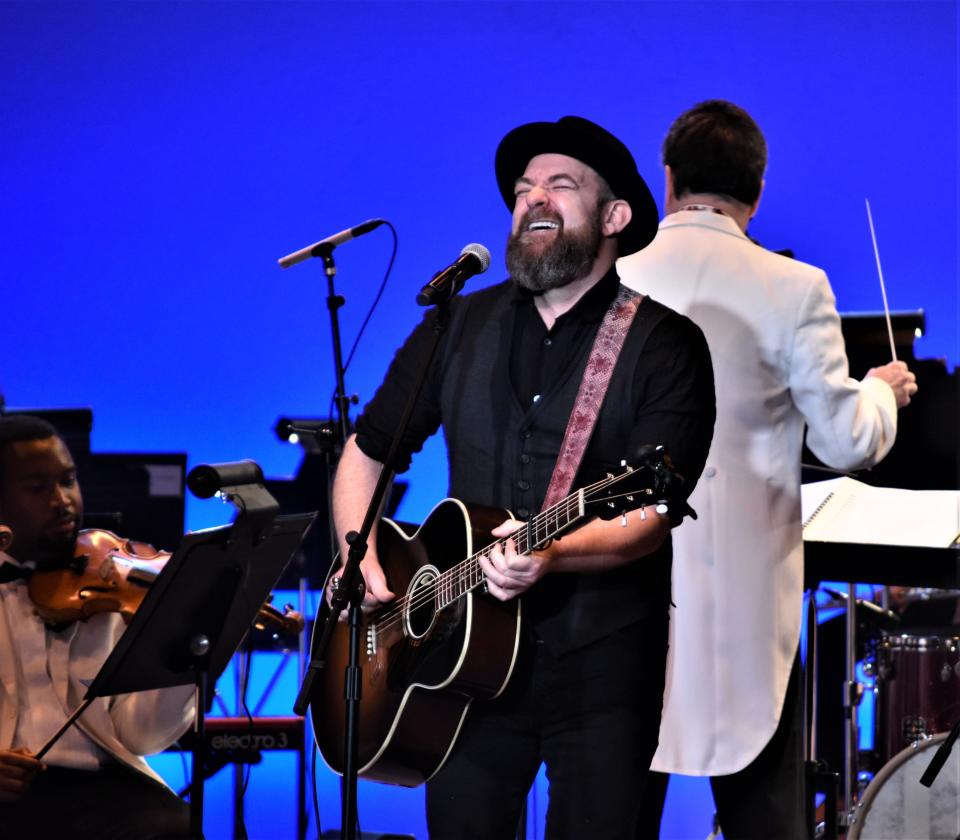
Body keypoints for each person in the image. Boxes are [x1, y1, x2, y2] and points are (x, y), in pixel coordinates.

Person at [330, 116, 716, 838]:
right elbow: (370, 446)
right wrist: (360, 553)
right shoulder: (456, 324)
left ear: (616, 216)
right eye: (522, 189)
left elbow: (653, 511)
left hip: (603, 663)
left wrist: (553, 551)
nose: (534, 199)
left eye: (560, 185)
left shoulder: (666, 344)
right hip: (455, 662)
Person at [617, 99, 917, 838]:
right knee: (766, 821)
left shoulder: (613, 276)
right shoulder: (794, 287)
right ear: (757, 190)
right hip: (743, 613)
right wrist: (883, 392)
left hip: (617, 597)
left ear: (667, 180)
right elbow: (848, 441)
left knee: (614, 814)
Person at [0, 414, 195, 839]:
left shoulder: (109, 583)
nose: (62, 500)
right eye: (38, 489)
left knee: (174, 828)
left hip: (102, 785)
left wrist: (179, 645)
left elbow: (141, 737)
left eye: (68, 480)